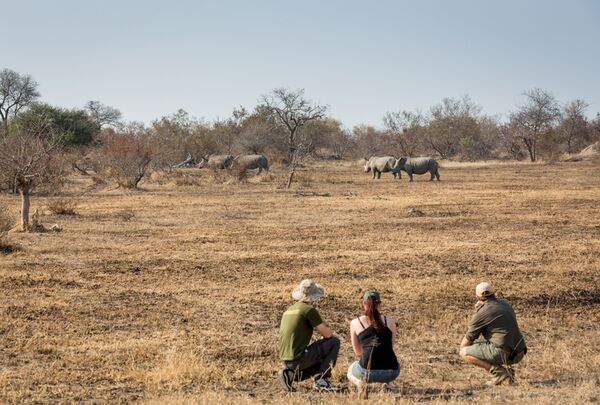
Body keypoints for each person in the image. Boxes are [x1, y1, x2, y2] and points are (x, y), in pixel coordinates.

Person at [277, 279, 340, 392]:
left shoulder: (289, 310)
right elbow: (328, 335)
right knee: (334, 342)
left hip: (286, 360)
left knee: (319, 362)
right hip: (299, 358)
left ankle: (289, 374)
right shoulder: (309, 310)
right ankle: (322, 380)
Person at [459, 282, 527, 385]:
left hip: (504, 353)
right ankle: (507, 372)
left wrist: (477, 312)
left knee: (464, 352)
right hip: (520, 352)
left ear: (477, 296)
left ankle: (499, 373)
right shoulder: (506, 304)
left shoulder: (482, 312)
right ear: (494, 293)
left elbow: (465, 343)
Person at [347, 290, 400, 388]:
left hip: (367, 373)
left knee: (351, 369)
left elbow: (358, 352)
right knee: (387, 356)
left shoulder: (355, 322)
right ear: (380, 304)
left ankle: (360, 384)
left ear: (363, 303)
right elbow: (389, 348)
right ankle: (387, 383)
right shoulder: (390, 322)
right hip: (392, 372)